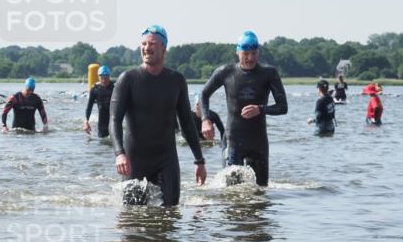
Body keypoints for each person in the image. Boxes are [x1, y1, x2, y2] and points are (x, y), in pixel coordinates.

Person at [111, 24, 206, 206]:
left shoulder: (176, 80)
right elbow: (114, 120)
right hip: (135, 160)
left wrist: (199, 161)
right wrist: (119, 153)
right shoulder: (128, 80)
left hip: (166, 159)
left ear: (163, 48)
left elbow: (186, 123)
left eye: (152, 44)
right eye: (144, 44)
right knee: (133, 222)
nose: (147, 48)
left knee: (171, 214)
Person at [199, 30, 288, 187]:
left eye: (254, 53)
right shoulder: (226, 72)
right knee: (232, 192)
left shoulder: (269, 73)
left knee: (261, 192)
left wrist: (260, 109)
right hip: (233, 140)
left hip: (258, 142)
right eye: (246, 53)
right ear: (238, 52)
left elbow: (283, 107)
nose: (250, 58)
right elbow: (204, 94)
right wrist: (205, 119)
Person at [82, 65, 114, 138]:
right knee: (102, 138)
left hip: (113, 118)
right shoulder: (95, 89)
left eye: (106, 78)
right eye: (102, 78)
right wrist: (86, 120)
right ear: (98, 77)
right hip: (102, 119)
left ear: (109, 76)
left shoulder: (115, 87)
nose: (104, 80)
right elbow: (89, 106)